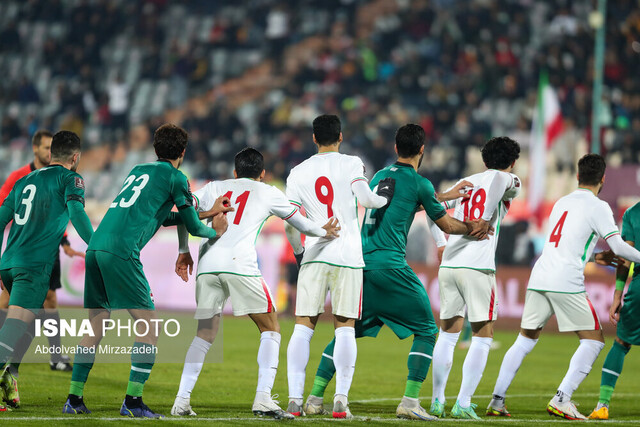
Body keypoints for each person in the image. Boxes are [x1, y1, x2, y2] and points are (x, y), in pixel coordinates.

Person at [302, 124, 489, 421]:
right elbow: (447, 226)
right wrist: (473, 226)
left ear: (395, 147)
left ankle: (313, 397)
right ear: (423, 149)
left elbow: (401, 206)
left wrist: (444, 195)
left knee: (348, 332)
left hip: (363, 267)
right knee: (428, 329)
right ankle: (411, 401)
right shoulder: (419, 183)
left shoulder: (378, 177)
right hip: (391, 267)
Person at [62, 124, 231, 418]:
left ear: (156, 149)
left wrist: (208, 211)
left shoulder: (139, 170)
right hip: (122, 251)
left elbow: (164, 216)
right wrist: (214, 230)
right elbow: (190, 226)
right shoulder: (177, 177)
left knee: (96, 327)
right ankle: (133, 401)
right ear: (182, 152)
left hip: (96, 246)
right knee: (149, 328)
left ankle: (74, 400)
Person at [170, 147, 340, 419]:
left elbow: (183, 207)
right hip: (240, 265)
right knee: (271, 326)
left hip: (207, 265)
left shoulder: (214, 187)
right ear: (262, 174)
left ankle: (181, 401)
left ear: (235, 172)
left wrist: (183, 249)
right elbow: (301, 224)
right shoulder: (269, 191)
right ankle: (263, 398)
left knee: (204, 334)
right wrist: (325, 231)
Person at [487, 154, 640, 420]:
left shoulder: (562, 202)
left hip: (540, 275)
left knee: (524, 340)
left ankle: (496, 401)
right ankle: (562, 398)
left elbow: (565, 244)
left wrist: (593, 257)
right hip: (566, 280)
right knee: (593, 341)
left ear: (578, 176)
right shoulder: (599, 206)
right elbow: (618, 247)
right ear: (603, 179)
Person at [284, 114, 396, 419]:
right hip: (346, 255)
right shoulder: (351, 163)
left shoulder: (297, 172)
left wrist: (299, 253)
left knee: (303, 327)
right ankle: (340, 401)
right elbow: (367, 199)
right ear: (341, 137)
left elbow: (291, 224)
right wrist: (383, 197)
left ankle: (294, 401)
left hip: (315, 255)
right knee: (345, 328)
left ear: (313, 138)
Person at [0, 131, 94, 412]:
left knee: (30, 323)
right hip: (34, 265)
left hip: (8, 262)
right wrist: (98, 245)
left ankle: (10, 375)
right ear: (75, 157)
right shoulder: (72, 179)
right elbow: (77, 214)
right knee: (16, 323)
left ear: (50, 153)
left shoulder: (23, 180)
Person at [430, 136, 522, 420]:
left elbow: (432, 209)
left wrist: (441, 244)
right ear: (513, 162)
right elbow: (498, 180)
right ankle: (463, 403)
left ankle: (437, 401)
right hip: (478, 267)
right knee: (483, 336)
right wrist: (484, 215)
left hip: (450, 265)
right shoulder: (510, 179)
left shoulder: (465, 181)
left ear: (483, 160)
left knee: (447, 335)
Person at [588, 202, 640, 420]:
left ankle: (602, 405)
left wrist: (618, 295)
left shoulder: (632, 213)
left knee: (621, 343)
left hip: (639, 289)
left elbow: (624, 256)